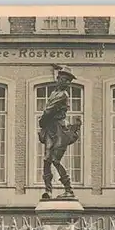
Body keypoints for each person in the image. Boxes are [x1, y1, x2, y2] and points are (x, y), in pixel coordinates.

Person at [38, 66, 82, 199]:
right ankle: (48, 190)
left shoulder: (63, 95)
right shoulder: (54, 93)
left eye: (69, 81)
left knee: (55, 160)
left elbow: (49, 110)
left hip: (60, 130)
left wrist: (42, 121)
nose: (67, 83)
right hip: (51, 129)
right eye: (65, 80)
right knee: (46, 160)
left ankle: (69, 189)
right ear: (58, 79)